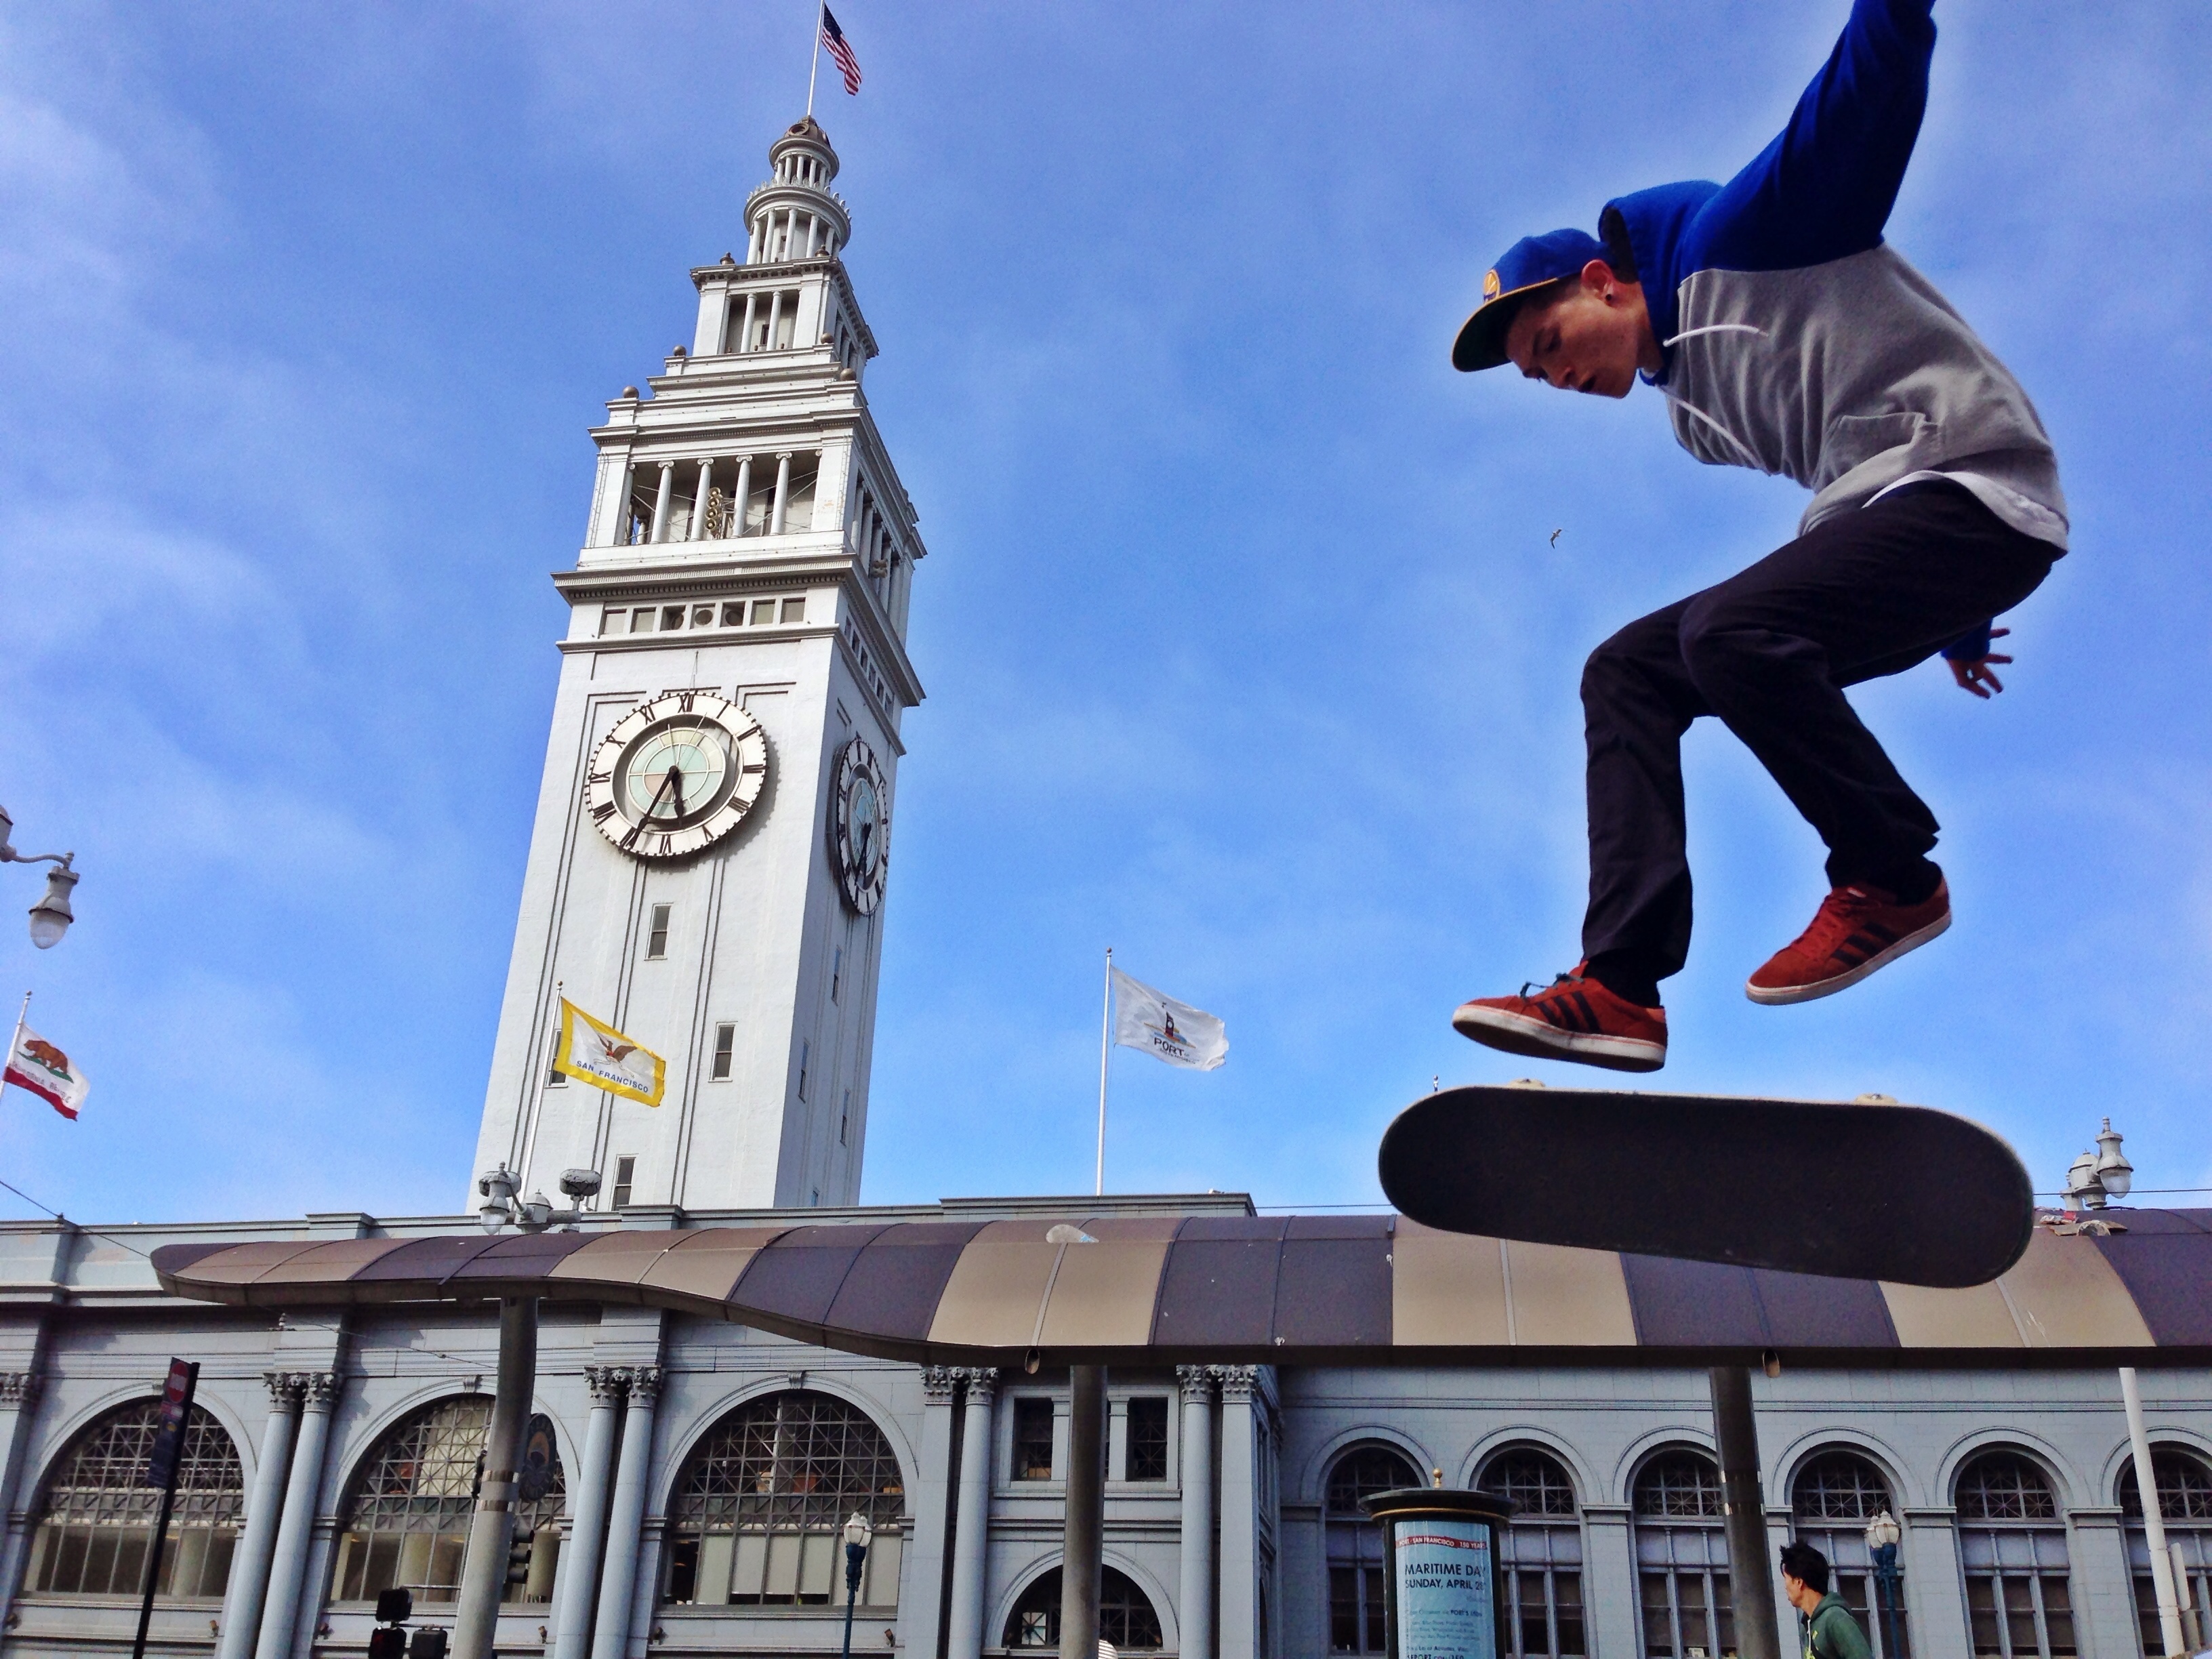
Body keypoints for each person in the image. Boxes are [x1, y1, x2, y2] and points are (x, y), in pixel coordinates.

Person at [1445, 0, 2066, 1073]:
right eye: (1541, 378)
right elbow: (1859, 474)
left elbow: (1865, 93)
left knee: (1730, 634)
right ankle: (1621, 987)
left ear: (1601, 280)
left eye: (1553, 343)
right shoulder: (1696, 416)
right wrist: (1959, 626)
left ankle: (1891, 875)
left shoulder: (1754, 238)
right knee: (1627, 669)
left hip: (1974, 485)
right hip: (1919, 529)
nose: (1562, 379)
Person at [1781, 1540, 1874, 1659]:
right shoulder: (1806, 1628)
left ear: (1799, 1582)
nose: (1785, 1586)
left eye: (1786, 1579)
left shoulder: (1835, 1619)